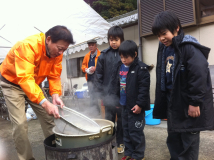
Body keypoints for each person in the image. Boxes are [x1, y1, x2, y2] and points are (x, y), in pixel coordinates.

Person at [0, 25, 74, 160]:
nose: (60, 53)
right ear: (49, 39)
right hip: (12, 84)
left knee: (50, 118)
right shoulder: (28, 46)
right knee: (20, 125)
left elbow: (54, 74)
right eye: (59, 48)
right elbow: (25, 78)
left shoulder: (57, 53)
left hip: (33, 83)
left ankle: (58, 154)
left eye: (64, 50)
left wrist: (55, 95)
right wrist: (45, 103)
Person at [152, 11, 214, 160]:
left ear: (176, 28)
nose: (161, 38)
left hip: (188, 103)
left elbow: (199, 76)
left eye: (164, 33)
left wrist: (194, 102)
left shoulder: (189, 47)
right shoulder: (165, 49)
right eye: (158, 35)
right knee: (174, 139)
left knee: (188, 142)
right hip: (173, 102)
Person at [110, 40, 150, 160]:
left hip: (135, 107)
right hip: (124, 106)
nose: (123, 60)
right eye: (121, 57)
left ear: (135, 54)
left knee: (135, 132)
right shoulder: (119, 66)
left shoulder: (141, 68)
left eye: (126, 57)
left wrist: (140, 104)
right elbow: (115, 85)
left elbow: (144, 89)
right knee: (126, 131)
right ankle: (129, 154)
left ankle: (138, 155)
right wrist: (116, 101)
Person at [95, 26, 124, 153]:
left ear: (121, 40)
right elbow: (98, 76)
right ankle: (110, 142)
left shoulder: (125, 53)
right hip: (108, 95)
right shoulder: (103, 56)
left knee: (122, 121)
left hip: (122, 95)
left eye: (116, 39)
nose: (113, 42)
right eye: (111, 39)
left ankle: (121, 142)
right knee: (109, 121)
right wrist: (101, 94)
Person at [81, 39, 101, 113]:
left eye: (92, 45)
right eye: (89, 45)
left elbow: (103, 66)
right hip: (89, 79)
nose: (91, 46)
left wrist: (96, 68)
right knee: (92, 94)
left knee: (97, 94)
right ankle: (94, 110)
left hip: (98, 79)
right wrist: (85, 69)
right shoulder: (87, 56)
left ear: (96, 45)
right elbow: (83, 66)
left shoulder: (100, 54)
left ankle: (97, 110)